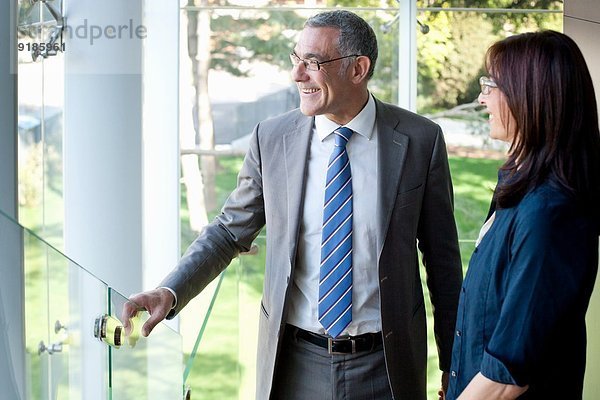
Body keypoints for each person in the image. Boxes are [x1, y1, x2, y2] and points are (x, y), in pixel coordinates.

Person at [123, 10, 462, 400]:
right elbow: (229, 231)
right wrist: (172, 290)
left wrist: (455, 362)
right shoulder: (271, 138)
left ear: (358, 69)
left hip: (385, 366)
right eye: (295, 59)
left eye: (313, 63)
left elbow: (443, 263)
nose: (297, 75)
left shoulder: (420, 140)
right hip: (295, 363)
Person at [446, 30, 600, 400]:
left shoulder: (549, 213)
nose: (481, 98)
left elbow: (508, 374)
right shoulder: (518, 187)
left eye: (491, 85)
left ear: (531, 96)